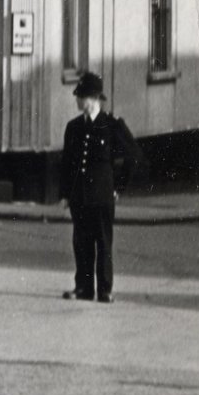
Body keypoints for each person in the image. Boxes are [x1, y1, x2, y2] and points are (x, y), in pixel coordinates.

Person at [60, 71, 136, 304]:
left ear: (91, 99)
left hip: (102, 196)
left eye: (80, 96)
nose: (76, 100)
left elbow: (133, 156)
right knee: (81, 243)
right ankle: (83, 288)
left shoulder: (111, 125)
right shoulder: (73, 127)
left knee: (103, 243)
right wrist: (65, 194)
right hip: (80, 197)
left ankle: (105, 289)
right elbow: (67, 164)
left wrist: (118, 187)